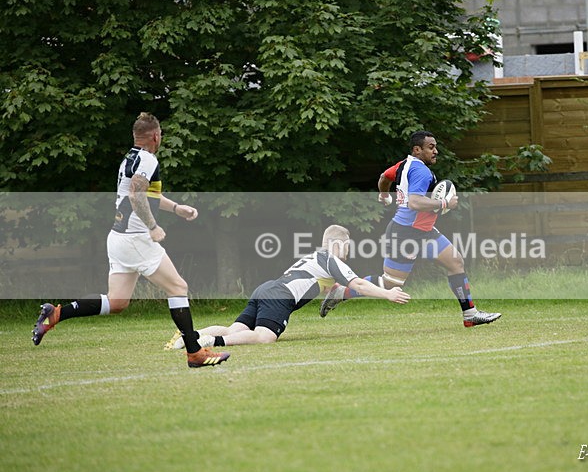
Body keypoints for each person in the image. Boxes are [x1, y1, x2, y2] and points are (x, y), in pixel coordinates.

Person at [31, 112, 230, 368]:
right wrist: (153, 227)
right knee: (178, 288)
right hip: (136, 239)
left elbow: (142, 195)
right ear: (156, 136)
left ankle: (56, 313)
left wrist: (177, 208)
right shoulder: (147, 159)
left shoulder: (130, 158)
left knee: (117, 302)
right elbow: (137, 196)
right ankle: (195, 352)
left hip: (118, 238)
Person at [320, 130, 500, 327]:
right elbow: (415, 202)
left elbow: (383, 177)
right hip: (405, 234)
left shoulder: (404, 165)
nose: (436, 151)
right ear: (417, 149)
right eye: (431, 147)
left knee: (455, 261)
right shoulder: (421, 171)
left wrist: (383, 195)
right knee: (391, 284)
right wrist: (444, 203)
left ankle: (470, 314)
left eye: (435, 147)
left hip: (424, 231)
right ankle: (341, 291)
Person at [167, 225, 410, 349]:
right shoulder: (330, 259)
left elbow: (331, 289)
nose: (349, 251)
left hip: (266, 289)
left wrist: (344, 294)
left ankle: (189, 336)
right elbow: (357, 283)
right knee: (264, 338)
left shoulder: (314, 257)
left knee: (233, 329)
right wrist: (387, 293)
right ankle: (212, 343)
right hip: (279, 296)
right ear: (338, 244)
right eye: (348, 246)